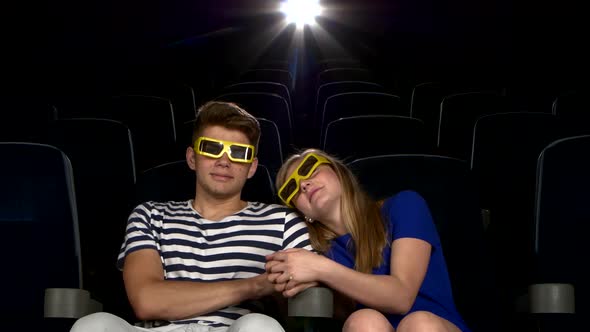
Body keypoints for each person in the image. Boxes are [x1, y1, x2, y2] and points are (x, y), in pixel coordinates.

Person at [70, 101, 313, 332]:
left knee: (260, 326)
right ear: (192, 158)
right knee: (94, 324)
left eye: (239, 152)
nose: (224, 161)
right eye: (211, 148)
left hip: (236, 328)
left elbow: (307, 295)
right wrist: (255, 286)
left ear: (251, 167)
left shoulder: (284, 222)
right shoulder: (150, 214)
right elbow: (146, 301)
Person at [265, 149, 471, 332]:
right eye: (291, 188)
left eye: (310, 168)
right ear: (303, 213)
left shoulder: (405, 205)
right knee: (364, 321)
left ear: (338, 173)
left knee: (419, 324)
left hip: (434, 326)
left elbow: (401, 297)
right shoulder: (322, 254)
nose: (304, 184)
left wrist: (321, 269)